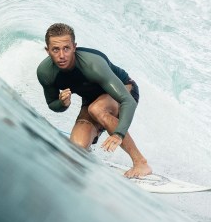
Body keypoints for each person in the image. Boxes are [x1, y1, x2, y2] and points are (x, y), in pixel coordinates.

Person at [37, 23, 152, 178]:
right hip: (91, 100)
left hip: (125, 90)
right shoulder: (46, 72)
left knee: (97, 109)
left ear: (74, 47)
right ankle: (90, 142)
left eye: (66, 48)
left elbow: (127, 101)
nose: (62, 55)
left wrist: (118, 134)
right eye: (55, 49)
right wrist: (63, 104)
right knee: (76, 150)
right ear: (47, 50)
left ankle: (140, 163)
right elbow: (52, 104)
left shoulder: (93, 64)